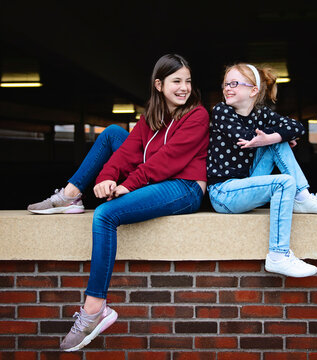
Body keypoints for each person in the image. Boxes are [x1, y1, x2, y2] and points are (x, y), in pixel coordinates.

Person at [27, 54, 210, 351]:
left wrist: (127, 185)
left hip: (184, 187)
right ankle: (71, 195)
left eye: (188, 81)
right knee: (113, 133)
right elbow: (129, 151)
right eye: (177, 81)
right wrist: (106, 178)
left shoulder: (197, 115)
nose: (184, 88)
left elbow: (167, 161)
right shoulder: (151, 115)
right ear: (159, 84)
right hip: (154, 179)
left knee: (105, 215)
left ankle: (94, 308)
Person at [207, 63, 317, 278]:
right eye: (225, 84)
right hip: (225, 193)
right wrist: (277, 135)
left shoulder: (261, 114)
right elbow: (244, 138)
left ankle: (302, 196)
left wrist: (274, 137)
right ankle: (278, 256)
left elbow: (297, 127)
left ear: (253, 91)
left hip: (248, 183)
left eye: (234, 84)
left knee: (277, 142)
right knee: (283, 179)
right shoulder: (221, 111)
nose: (227, 88)